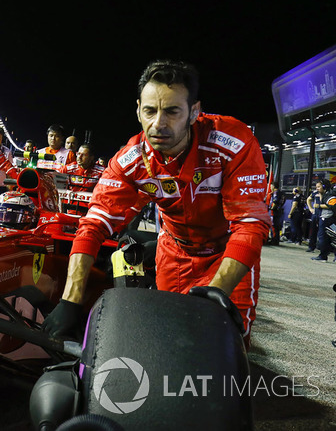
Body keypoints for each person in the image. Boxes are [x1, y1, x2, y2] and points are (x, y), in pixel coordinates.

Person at [42, 60, 270, 343]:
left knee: (224, 349)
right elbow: (94, 223)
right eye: (150, 111)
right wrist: (71, 301)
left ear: (194, 112)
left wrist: (218, 290)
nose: (159, 123)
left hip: (226, 254)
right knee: (168, 342)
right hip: (174, 255)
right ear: (138, 110)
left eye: (172, 111)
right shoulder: (130, 158)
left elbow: (250, 224)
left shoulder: (233, 141)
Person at [60, 143, 105, 217]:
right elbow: (52, 178)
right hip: (70, 210)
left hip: (92, 212)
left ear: (91, 157)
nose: (79, 157)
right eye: (78, 153)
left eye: (84, 155)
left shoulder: (102, 171)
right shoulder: (67, 169)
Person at [312, 180, 334, 262]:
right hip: (325, 217)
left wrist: (319, 205)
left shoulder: (330, 195)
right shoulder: (325, 194)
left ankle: (323, 256)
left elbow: (331, 205)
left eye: (319, 187)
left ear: (324, 187)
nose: (317, 189)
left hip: (327, 218)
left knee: (323, 237)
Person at [306, 181, 324, 253]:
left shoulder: (327, 193)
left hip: (323, 214)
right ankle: (311, 246)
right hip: (315, 214)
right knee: (313, 230)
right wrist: (310, 208)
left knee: (322, 232)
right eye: (316, 187)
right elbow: (308, 199)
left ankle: (321, 247)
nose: (317, 188)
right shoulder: (315, 192)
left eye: (319, 187)